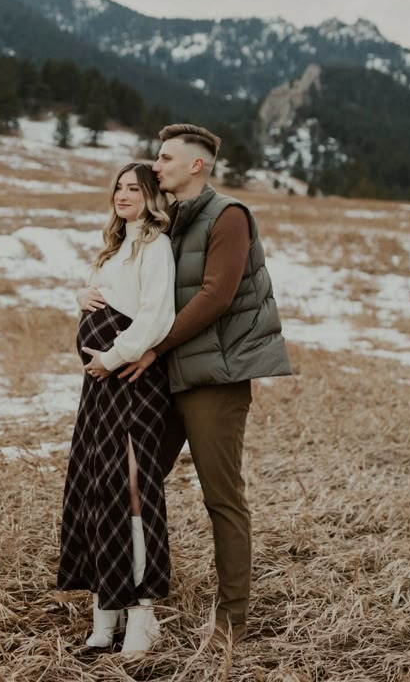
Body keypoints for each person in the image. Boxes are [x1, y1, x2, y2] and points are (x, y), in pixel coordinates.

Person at [119, 123, 292, 647]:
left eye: (166, 157)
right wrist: (93, 295)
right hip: (168, 377)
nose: (155, 165)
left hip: (214, 379)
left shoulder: (230, 216)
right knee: (135, 484)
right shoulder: (166, 221)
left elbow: (216, 296)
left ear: (197, 165)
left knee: (222, 497)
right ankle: (134, 601)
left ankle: (232, 617)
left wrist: (152, 347)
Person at [57, 161, 175, 656]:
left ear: (151, 196)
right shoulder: (111, 249)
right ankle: (106, 608)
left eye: (134, 188)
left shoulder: (155, 245)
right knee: (95, 485)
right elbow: (102, 305)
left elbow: (156, 315)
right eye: (118, 187)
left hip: (132, 381)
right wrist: (82, 296)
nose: (123, 195)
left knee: (130, 486)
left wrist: (112, 355)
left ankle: (143, 612)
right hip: (99, 388)